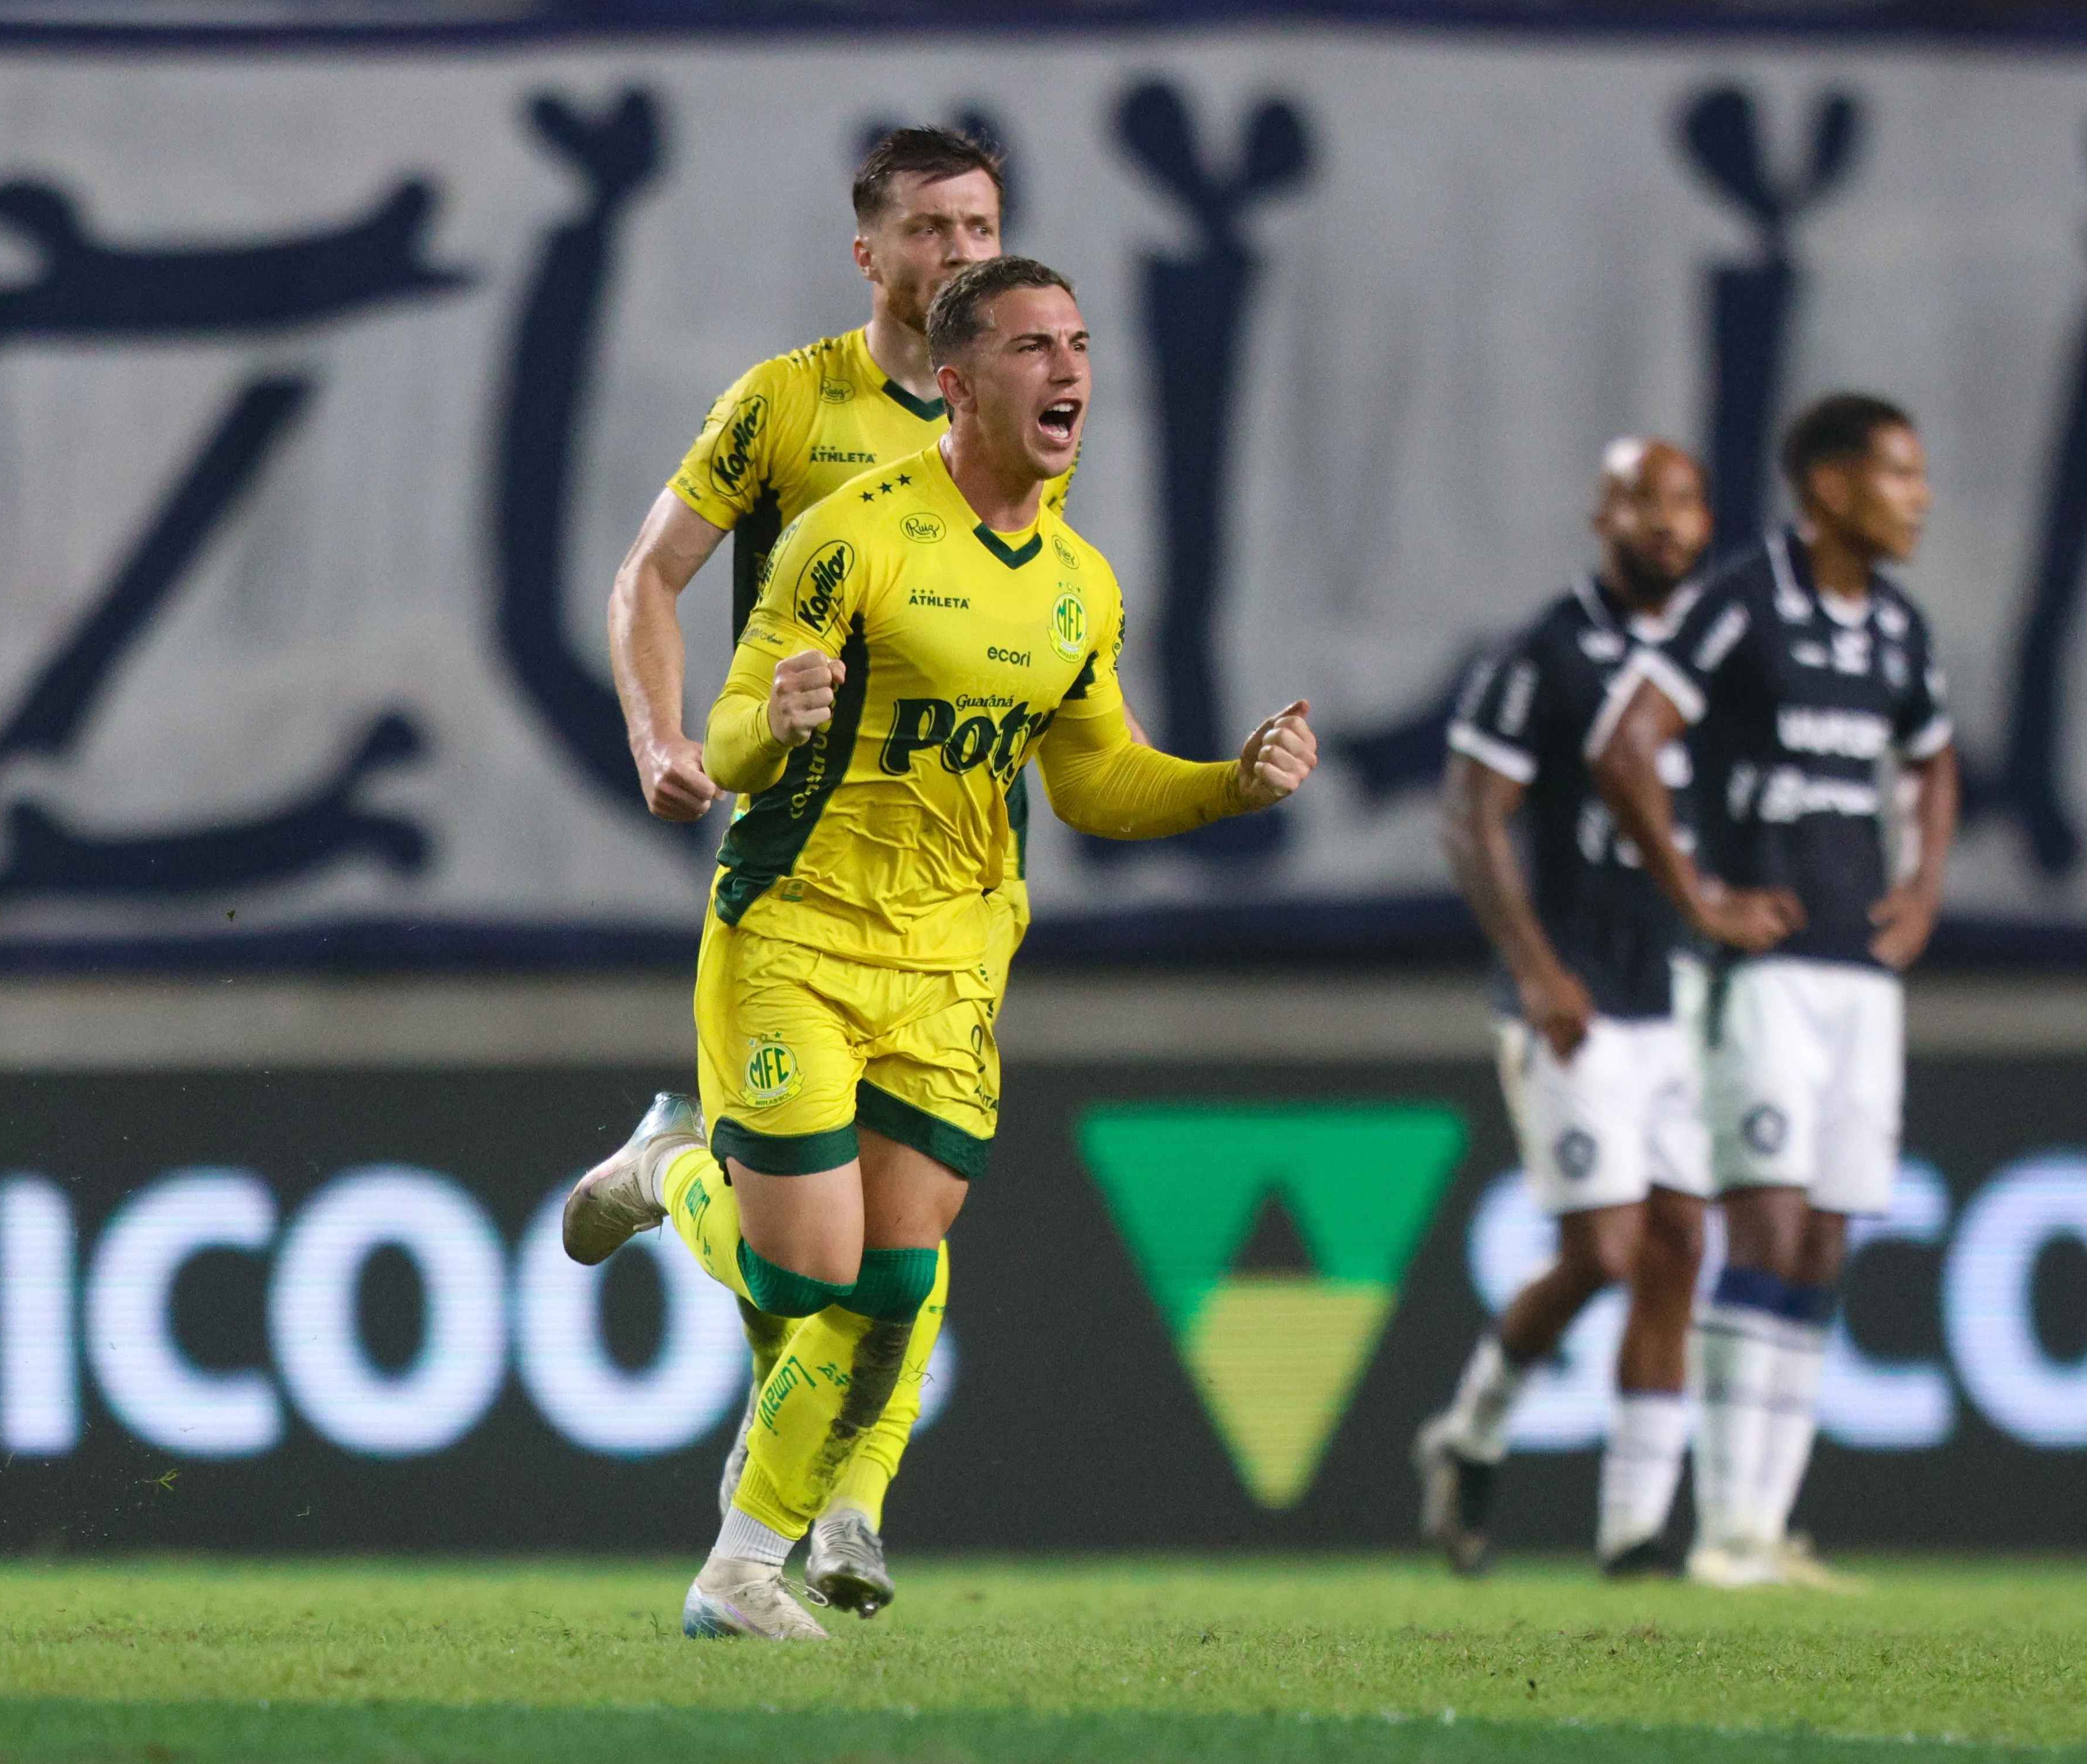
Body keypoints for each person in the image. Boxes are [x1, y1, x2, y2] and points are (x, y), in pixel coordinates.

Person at [566, 257, 1317, 1639]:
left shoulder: (1081, 582)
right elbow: (727, 739)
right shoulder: (849, 535)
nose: (1072, 370)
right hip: (797, 928)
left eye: (1081, 344)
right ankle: (671, 1163)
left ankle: (737, 1571)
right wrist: (772, 718)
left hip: (954, 960)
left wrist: (1231, 784)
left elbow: (1096, 781)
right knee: (807, 1274)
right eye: (1036, 347)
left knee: (896, 1278)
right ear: (959, 385)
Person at [604, 125, 1122, 1614]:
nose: (963, 252)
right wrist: (664, 733)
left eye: (984, 226)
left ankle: (838, 1515)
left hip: (955, 902)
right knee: (809, 1274)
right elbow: (651, 571)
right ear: (872, 254)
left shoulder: (1026, 412)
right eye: (935, 230)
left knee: (901, 1236)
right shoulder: (793, 405)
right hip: (807, 869)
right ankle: (673, 1179)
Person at [1591, 394, 1955, 1589]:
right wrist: (1697, 892)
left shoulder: (1897, 627)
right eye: (1898, 474)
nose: (1920, 495)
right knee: (1772, 1221)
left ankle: (1764, 1524)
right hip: (1763, 970)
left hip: (1861, 969)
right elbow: (1626, 740)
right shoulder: (1748, 598)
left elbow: (1934, 752)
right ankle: (1725, 1529)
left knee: (1828, 1237)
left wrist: (1925, 882)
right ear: (1833, 488)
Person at [1412, 439, 1719, 1579]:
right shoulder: (1549, 648)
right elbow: (1470, 816)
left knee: (1679, 1243)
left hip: (1679, 992)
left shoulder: (1708, 658)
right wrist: (1537, 967)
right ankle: (1471, 1431)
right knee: (1602, 1248)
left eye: (1684, 501)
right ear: (1602, 514)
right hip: (1575, 988)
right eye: (1644, 499)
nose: (1666, 522)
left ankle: (1636, 1530)